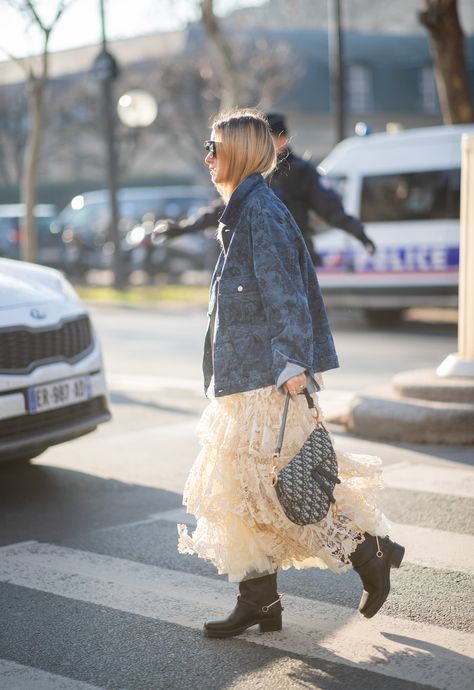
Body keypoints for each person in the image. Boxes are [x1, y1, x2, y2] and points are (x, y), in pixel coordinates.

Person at [177, 108, 404, 639]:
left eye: (214, 147)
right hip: (243, 379)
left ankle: (370, 553)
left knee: (283, 491)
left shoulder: (262, 213)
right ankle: (260, 603)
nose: (207, 157)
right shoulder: (241, 209)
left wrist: (294, 364)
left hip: (269, 380)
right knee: (245, 494)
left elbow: (287, 295)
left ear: (239, 152)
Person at [154, 112, 376, 267]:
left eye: (267, 139)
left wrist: (360, 234)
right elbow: (222, 210)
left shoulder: (301, 172)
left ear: (283, 139)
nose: (261, 146)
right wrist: (182, 228)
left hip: (292, 257)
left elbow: (330, 208)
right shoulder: (252, 175)